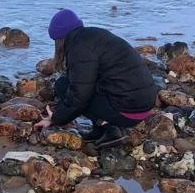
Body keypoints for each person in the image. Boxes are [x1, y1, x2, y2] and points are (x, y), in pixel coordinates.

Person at [35, 9, 159, 148]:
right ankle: (99, 130)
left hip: (128, 111)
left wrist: (55, 119)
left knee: (63, 86)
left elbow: (79, 96)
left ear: (58, 39)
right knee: (83, 83)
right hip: (144, 104)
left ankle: (111, 129)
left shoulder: (79, 49)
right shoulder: (95, 35)